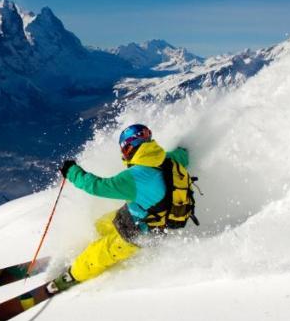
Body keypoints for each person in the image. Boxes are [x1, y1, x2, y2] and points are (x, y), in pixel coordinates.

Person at [48, 124, 194, 294]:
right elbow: (184, 155)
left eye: (124, 150)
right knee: (101, 224)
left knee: (98, 254)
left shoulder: (134, 176)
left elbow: (97, 186)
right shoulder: (167, 159)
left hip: (138, 233)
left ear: (130, 148)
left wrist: (72, 171)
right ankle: (91, 245)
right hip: (141, 216)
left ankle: (69, 277)